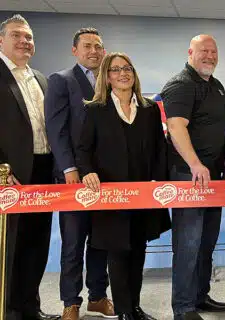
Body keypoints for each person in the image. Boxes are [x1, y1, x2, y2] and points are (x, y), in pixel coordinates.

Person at [75, 52, 170, 320]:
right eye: (116, 70)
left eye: (127, 68)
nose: (123, 73)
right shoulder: (94, 109)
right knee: (117, 255)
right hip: (111, 197)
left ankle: (135, 307)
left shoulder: (150, 109)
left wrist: (158, 183)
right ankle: (125, 312)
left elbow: (160, 150)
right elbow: (83, 149)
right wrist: (88, 172)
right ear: (107, 77)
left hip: (143, 195)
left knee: (138, 252)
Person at [44, 27, 115, 320]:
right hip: (73, 177)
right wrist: (68, 168)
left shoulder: (110, 82)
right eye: (87, 46)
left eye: (98, 46)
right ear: (75, 50)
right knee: (73, 243)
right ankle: (70, 302)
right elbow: (56, 129)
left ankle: (98, 297)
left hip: (106, 177)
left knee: (101, 241)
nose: (93, 51)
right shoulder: (61, 80)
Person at [161, 34, 225, 320]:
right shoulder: (181, 84)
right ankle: (183, 307)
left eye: (214, 52)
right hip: (188, 175)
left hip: (213, 178)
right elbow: (176, 127)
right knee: (188, 244)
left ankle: (200, 297)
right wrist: (195, 164)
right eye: (204, 51)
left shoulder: (217, 86)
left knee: (206, 242)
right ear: (190, 52)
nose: (210, 56)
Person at [0, 14, 60, 320]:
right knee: (11, 245)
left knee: (38, 242)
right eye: (17, 35)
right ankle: (8, 310)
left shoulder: (41, 78)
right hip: (10, 175)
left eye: (29, 37)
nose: (25, 41)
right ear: (1, 40)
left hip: (44, 169)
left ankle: (30, 306)